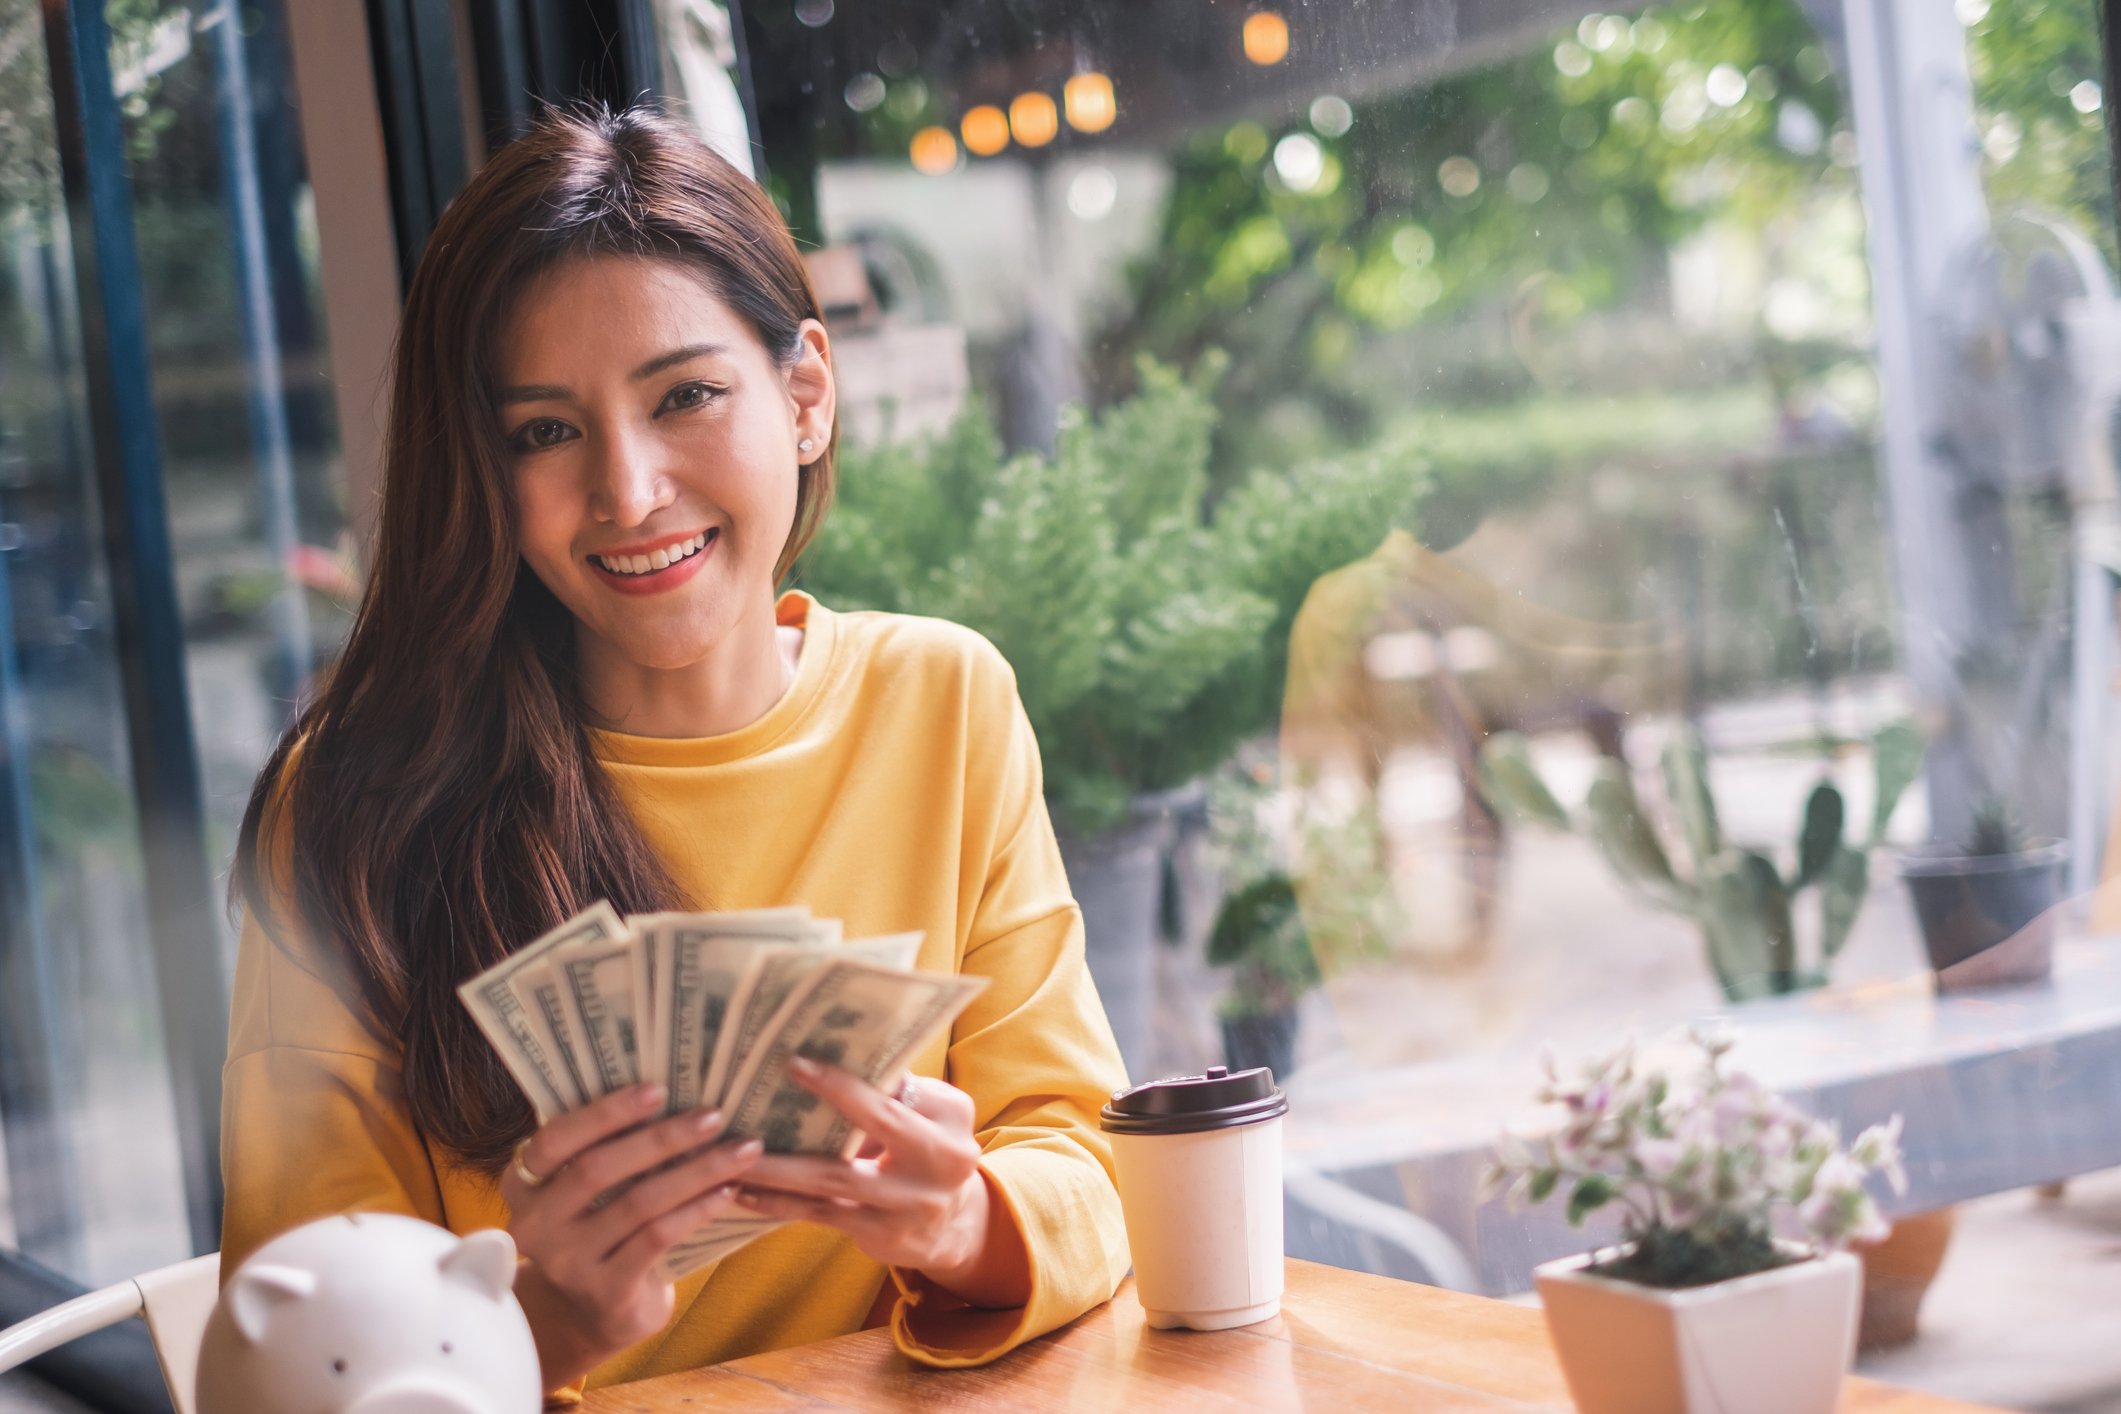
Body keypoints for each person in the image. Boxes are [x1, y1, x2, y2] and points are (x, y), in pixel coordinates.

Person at [222, 105, 1130, 1400]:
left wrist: (962, 1220)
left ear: (805, 393)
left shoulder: (946, 701)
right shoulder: (353, 806)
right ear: (483, 466)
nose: (629, 489)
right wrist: (542, 1321)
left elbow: (1087, 1153)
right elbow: (290, 1360)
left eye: (686, 395)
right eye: (545, 430)